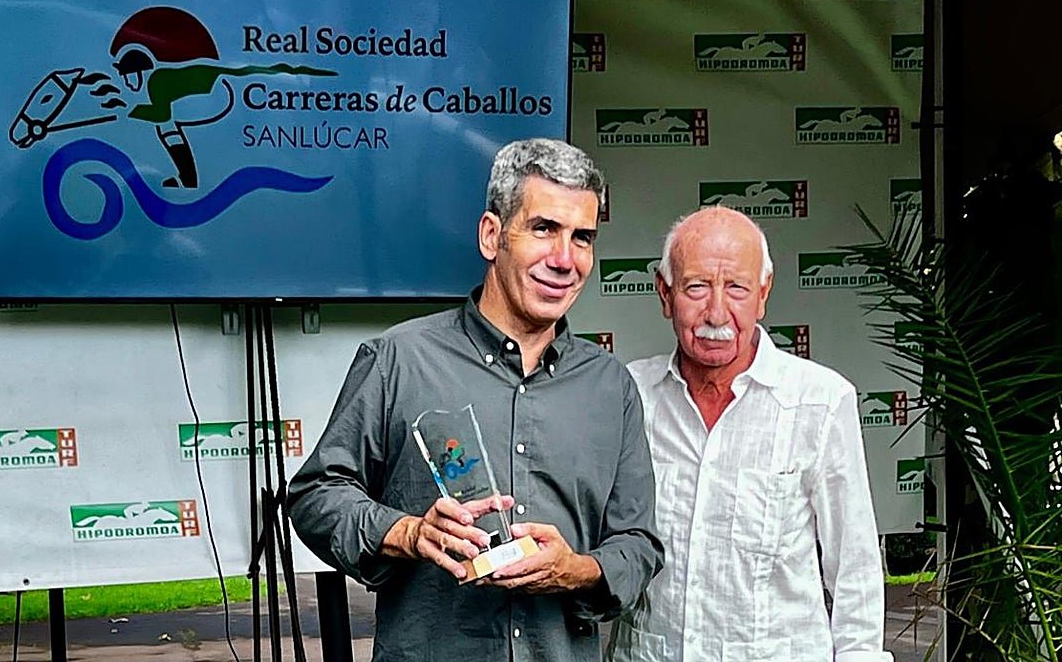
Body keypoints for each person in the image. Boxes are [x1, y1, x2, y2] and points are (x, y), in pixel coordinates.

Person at [288, 137, 664, 661]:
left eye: (582, 237)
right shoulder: (398, 360)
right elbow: (315, 495)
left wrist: (574, 570)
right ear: (492, 235)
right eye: (544, 229)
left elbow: (638, 544)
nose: (564, 258)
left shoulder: (610, 387)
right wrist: (408, 532)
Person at [607, 206, 891, 662]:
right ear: (665, 294)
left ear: (763, 294)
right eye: (696, 287)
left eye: (736, 288)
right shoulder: (628, 395)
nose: (716, 312)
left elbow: (853, 569)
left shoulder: (820, 401)